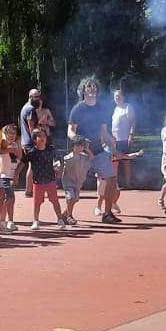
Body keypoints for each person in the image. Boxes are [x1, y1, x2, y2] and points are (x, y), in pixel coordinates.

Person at [68, 77, 121, 224]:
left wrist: (113, 145)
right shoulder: (78, 108)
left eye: (94, 87)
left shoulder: (101, 109)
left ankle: (107, 213)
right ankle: (67, 214)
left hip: (99, 152)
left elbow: (104, 133)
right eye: (89, 87)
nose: (92, 89)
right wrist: (79, 139)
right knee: (75, 184)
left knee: (111, 178)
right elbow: (70, 131)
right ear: (83, 90)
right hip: (82, 153)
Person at [24, 128, 63, 229]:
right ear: (34, 139)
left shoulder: (51, 149)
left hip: (50, 180)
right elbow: (22, 162)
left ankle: (60, 220)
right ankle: (36, 221)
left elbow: (60, 159)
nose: (42, 138)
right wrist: (15, 175)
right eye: (39, 136)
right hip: (38, 182)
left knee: (55, 201)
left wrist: (59, 170)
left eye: (44, 136)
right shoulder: (32, 152)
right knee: (37, 203)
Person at [0, 123, 23, 232]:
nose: (11, 135)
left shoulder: (16, 146)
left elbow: (21, 160)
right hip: (3, 176)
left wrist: (17, 175)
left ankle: (2, 222)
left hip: (11, 177)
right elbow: (2, 147)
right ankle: (8, 221)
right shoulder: (2, 145)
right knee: (10, 198)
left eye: (13, 133)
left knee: (8, 200)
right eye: (9, 133)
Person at [110, 89, 137, 203]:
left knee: (126, 161)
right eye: (115, 96)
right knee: (114, 161)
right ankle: (114, 184)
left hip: (124, 139)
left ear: (123, 97)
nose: (117, 98)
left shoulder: (128, 107)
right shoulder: (115, 109)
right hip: (114, 141)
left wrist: (131, 135)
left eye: (119, 96)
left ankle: (128, 183)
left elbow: (133, 122)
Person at [58, 137, 91, 226]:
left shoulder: (84, 156)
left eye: (81, 146)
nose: (79, 148)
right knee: (70, 198)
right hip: (68, 182)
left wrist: (87, 149)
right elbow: (60, 166)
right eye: (77, 146)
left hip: (78, 182)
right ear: (73, 146)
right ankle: (70, 216)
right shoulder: (68, 158)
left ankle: (64, 214)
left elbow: (91, 158)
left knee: (75, 199)